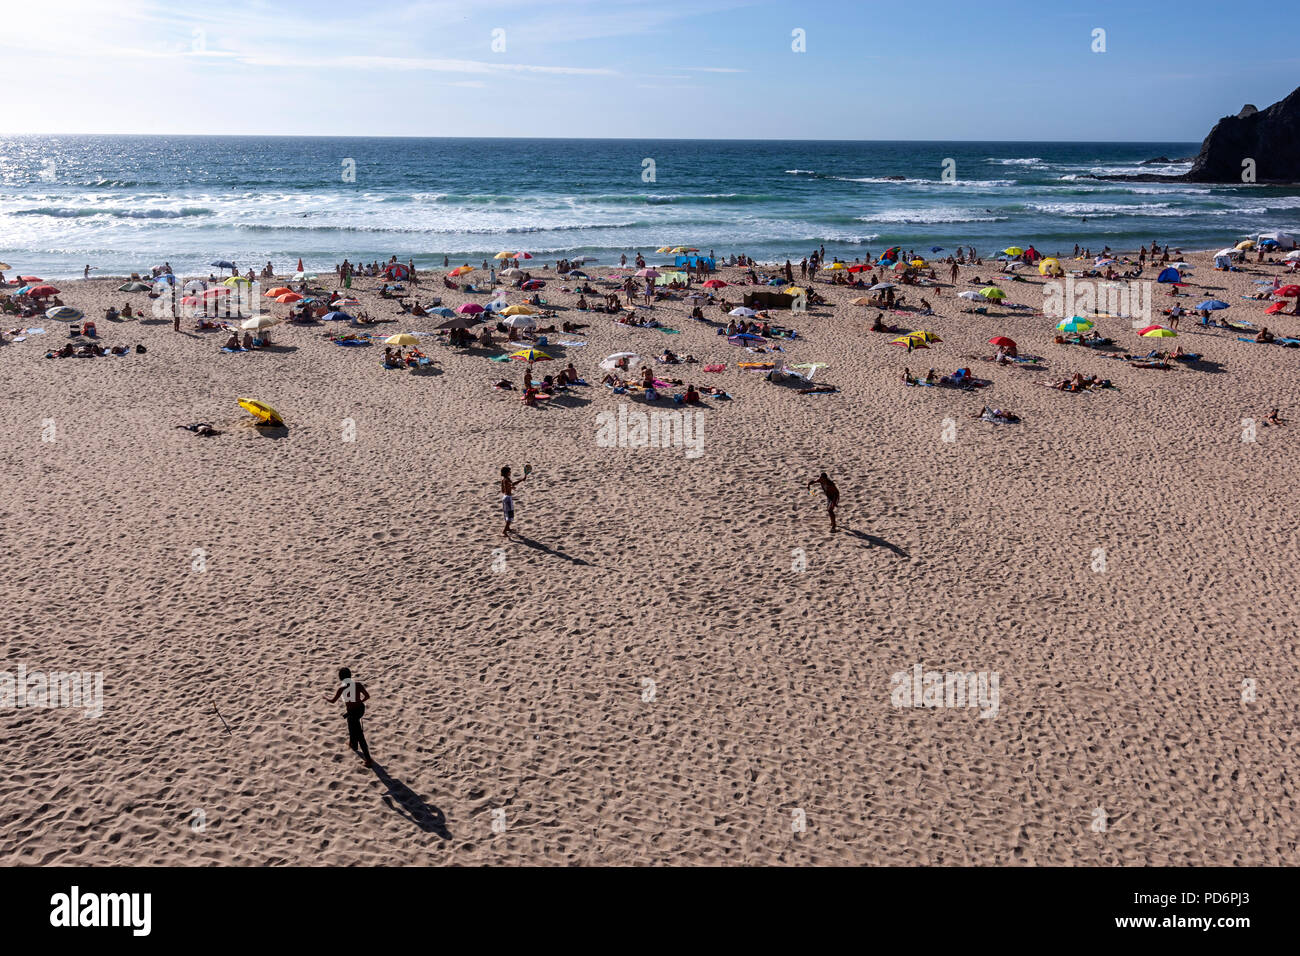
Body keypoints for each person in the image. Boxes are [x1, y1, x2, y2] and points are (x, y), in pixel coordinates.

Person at [324, 667, 371, 767]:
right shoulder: (358, 685)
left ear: (341, 678)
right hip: (360, 709)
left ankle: (368, 759)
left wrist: (325, 697)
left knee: (359, 734)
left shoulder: (342, 689)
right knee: (350, 722)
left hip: (352, 712)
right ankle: (353, 744)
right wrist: (360, 702)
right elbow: (367, 696)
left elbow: (332, 701)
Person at [500, 464, 527, 538]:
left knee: (506, 514)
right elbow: (513, 483)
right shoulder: (507, 479)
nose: (510, 472)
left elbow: (503, 490)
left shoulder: (503, 480)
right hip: (508, 498)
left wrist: (510, 487)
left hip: (504, 497)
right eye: (509, 471)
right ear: (506, 473)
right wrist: (521, 480)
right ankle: (504, 531)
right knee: (510, 515)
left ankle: (508, 528)